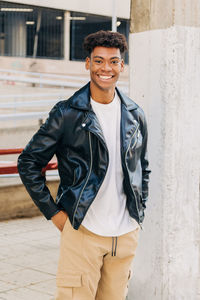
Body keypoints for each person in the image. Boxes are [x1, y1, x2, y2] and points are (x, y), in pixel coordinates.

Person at [18, 30, 151, 300]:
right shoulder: (66, 113)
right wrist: (55, 214)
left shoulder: (136, 115)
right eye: (99, 60)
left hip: (125, 236)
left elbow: (142, 167)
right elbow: (29, 162)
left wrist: (139, 213)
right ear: (88, 63)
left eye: (113, 61)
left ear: (122, 66)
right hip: (83, 232)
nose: (106, 68)